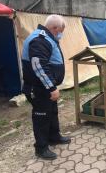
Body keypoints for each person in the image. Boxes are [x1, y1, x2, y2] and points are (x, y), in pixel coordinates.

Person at [21, 14, 71, 160]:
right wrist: (51, 88)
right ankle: (41, 148)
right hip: (39, 88)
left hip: (45, 86)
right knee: (41, 117)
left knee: (52, 112)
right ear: (54, 28)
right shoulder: (39, 40)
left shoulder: (47, 38)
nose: (61, 34)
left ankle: (54, 136)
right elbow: (38, 66)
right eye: (61, 30)